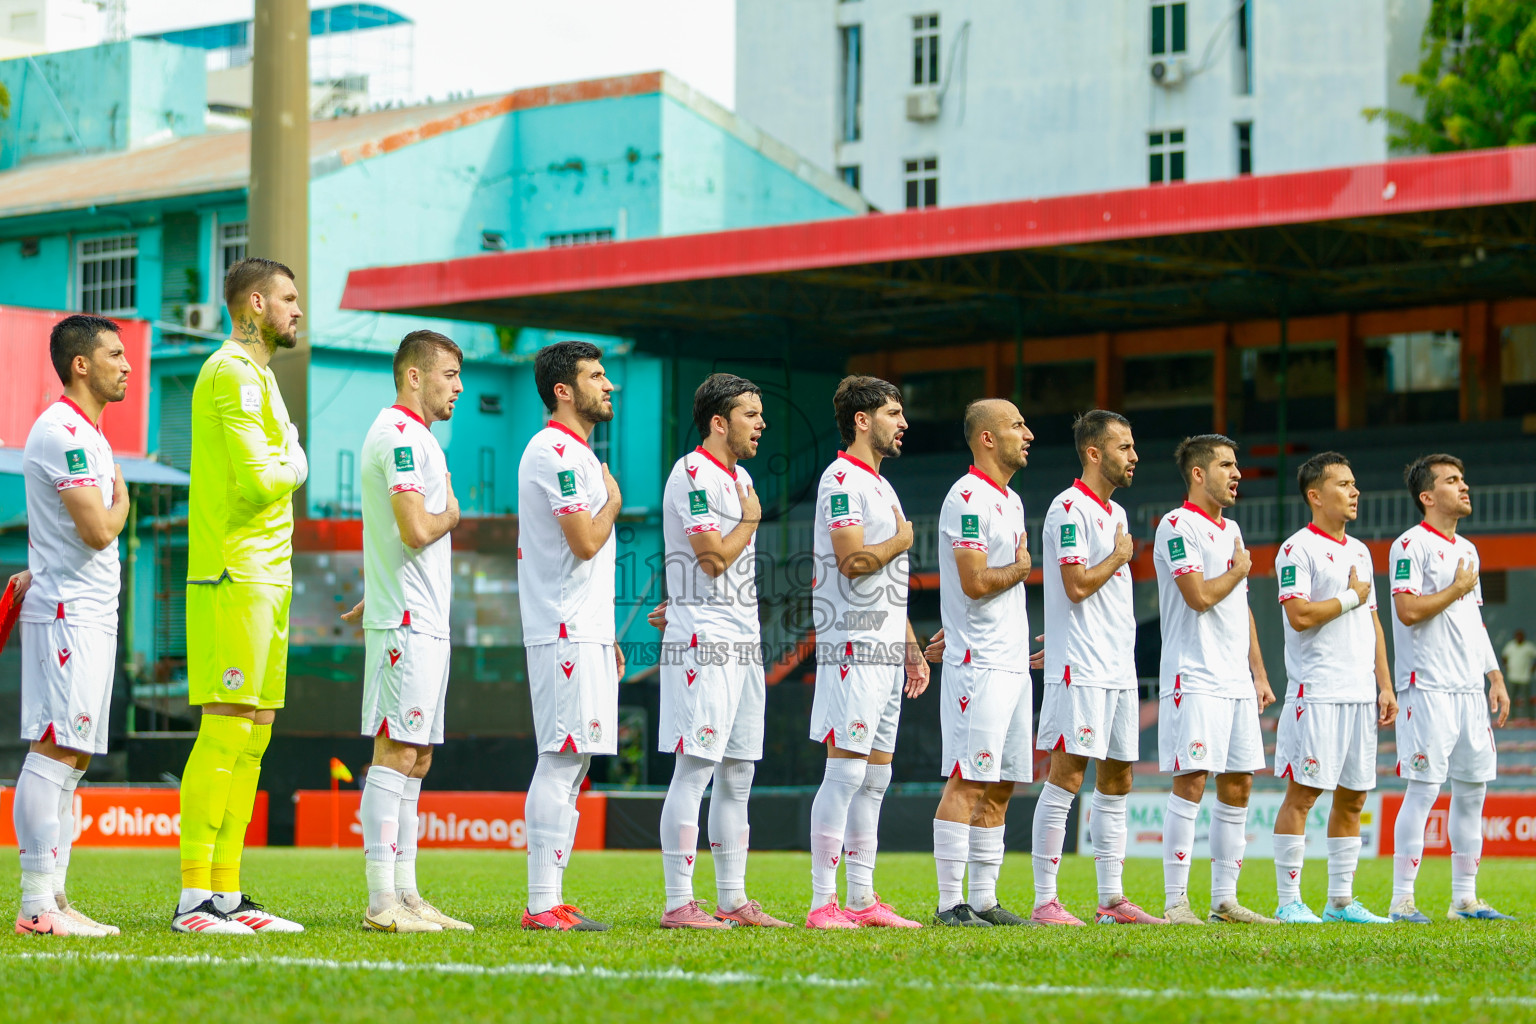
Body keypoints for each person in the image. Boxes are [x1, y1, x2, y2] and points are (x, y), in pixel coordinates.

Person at [174, 258, 307, 935]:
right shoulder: (228, 371)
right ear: (253, 303)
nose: (297, 309)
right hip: (233, 575)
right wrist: (298, 459)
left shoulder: (262, 376)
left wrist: (286, 453)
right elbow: (263, 481)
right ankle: (193, 896)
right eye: (287, 297)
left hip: (269, 576)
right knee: (225, 731)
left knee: (253, 740)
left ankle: (226, 893)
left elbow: (270, 468)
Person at [652, 374, 789, 929]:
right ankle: (678, 902)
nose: (761, 423)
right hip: (704, 640)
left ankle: (732, 899)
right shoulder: (693, 472)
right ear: (718, 421)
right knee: (695, 770)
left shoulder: (743, 477)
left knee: (738, 773)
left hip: (743, 640)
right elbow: (711, 558)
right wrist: (752, 519)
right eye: (750, 414)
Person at [344, 331, 470, 933]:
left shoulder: (417, 438)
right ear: (414, 376)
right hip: (406, 625)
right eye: (449, 373)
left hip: (423, 620)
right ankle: (380, 902)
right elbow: (417, 529)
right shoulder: (398, 436)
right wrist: (452, 513)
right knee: (395, 752)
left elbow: (398, 542)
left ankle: (407, 891)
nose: (459, 386)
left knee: (416, 758)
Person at [11, 314, 131, 937]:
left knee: (74, 756)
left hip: (86, 612)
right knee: (55, 751)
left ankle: (53, 899)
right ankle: (35, 904)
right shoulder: (63, 433)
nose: (127, 364)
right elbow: (97, 529)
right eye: (114, 354)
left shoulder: (87, 433)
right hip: (66, 615)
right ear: (80, 364)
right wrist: (124, 502)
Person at [805, 375, 929, 929]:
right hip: (851, 645)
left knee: (876, 778)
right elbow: (854, 562)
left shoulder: (883, 486)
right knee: (846, 774)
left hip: (884, 646)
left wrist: (911, 648)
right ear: (862, 419)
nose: (903, 423)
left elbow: (888, 582)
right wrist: (901, 541)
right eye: (893, 413)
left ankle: (861, 899)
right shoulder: (841, 480)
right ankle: (821, 903)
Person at [1032, 410, 1165, 926]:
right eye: (1124, 447)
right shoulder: (1069, 508)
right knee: (1068, 774)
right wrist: (1119, 556)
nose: (1133, 457)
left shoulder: (1116, 513)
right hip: (1082, 666)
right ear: (1094, 453)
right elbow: (1076, 585)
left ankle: (1111, 899)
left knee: (1118, 778)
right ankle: (1046, 900)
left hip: (1116, 665)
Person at [515, 340, 623, 931]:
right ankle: (540, 904)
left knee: (574, 760)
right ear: (564, 389)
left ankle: (551, 898)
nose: (609, 385)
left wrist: (607, 637)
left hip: (583, 629)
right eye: (596, 375)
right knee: (560, 758)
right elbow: (585, 540)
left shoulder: (575, 451)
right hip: (561, 627)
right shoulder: (554, 450)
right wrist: (613, 502)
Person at [1152, 434, 1277, 926]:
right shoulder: (1176, 525)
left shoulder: (1233, 530)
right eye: (1227, 464)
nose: (1237, 473)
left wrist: (1259, 672)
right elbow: (1199, 596)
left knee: (1240, 783)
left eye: (1237, 464)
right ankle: (1176, 901)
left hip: (1234, 679)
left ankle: (1225, 899)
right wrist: (1239, 568)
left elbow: (1238, 605)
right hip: (1195, 673)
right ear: (1199, 473)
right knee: (1193, 779)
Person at [1270, 452, 1397, 925]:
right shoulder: (1296, 549)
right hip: (1317, 691)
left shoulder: (1361, 551)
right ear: (1315, 495)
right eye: (1343, 484)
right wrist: (1349, 597)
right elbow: (1299, 615)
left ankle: (1341, 901)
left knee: (1354, 796)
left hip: (1361, 693)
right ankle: (1288, 902)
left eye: (1354, 482)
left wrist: (1385, 684)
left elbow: (1374, 622)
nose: (1354, 491)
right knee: (1303, 794)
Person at [1388, 454, 1513, 922]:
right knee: (1423, 789)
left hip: (1466, 689)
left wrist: (1494, 676)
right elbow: (1408, 610)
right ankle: (1402, 900)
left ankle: (1465, 899)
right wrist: (1458, 589)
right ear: (1427, 495)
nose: (1465, 487)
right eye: (1453, 480)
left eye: (1464, 478)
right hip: (1427, 686)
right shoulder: (1409, 545)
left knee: (1472, 791)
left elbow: (1473, 620)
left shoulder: (1469, 550)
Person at [928, 399, 1035, 928]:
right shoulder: (967, 498)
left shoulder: (1010, 500)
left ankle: (987, 900)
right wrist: (1019, 568)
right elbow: (974, 581)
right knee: (968, 779)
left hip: (1011, 660)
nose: (1028, 434)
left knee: (1002, 783)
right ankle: (950, 903)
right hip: (980, 661)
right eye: (1018, 425)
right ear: (987, 438)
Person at [1500, 630, 1535, 716]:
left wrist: (1533, 668)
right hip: (1512, 677)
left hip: (1525, 677)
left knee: (1526, 699)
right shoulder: (1510, 646)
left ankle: (1530, 717)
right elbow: (1504, 656)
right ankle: (1510, 716)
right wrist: (1506, 666)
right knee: (1510, 698)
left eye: (1520, 636)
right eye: (1517, 636)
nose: (1519, 637)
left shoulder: (1529, 647)